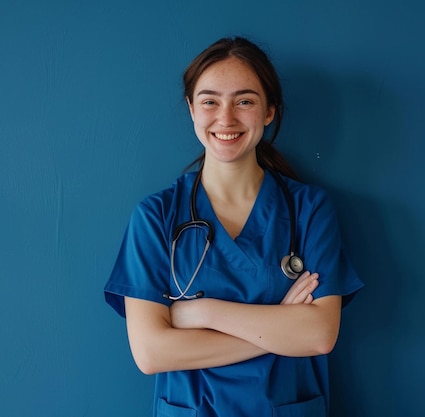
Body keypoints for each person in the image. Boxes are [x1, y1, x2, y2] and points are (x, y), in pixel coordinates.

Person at [104, 36, 363, 417]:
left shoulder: (309, 209)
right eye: (210, 101)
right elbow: (151, 353)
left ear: (269, 111)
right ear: (192, 109)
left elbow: (318, 335)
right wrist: (278, 329)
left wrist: (202, 313)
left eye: (244, 101)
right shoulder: (155, 216)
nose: (226, 118)